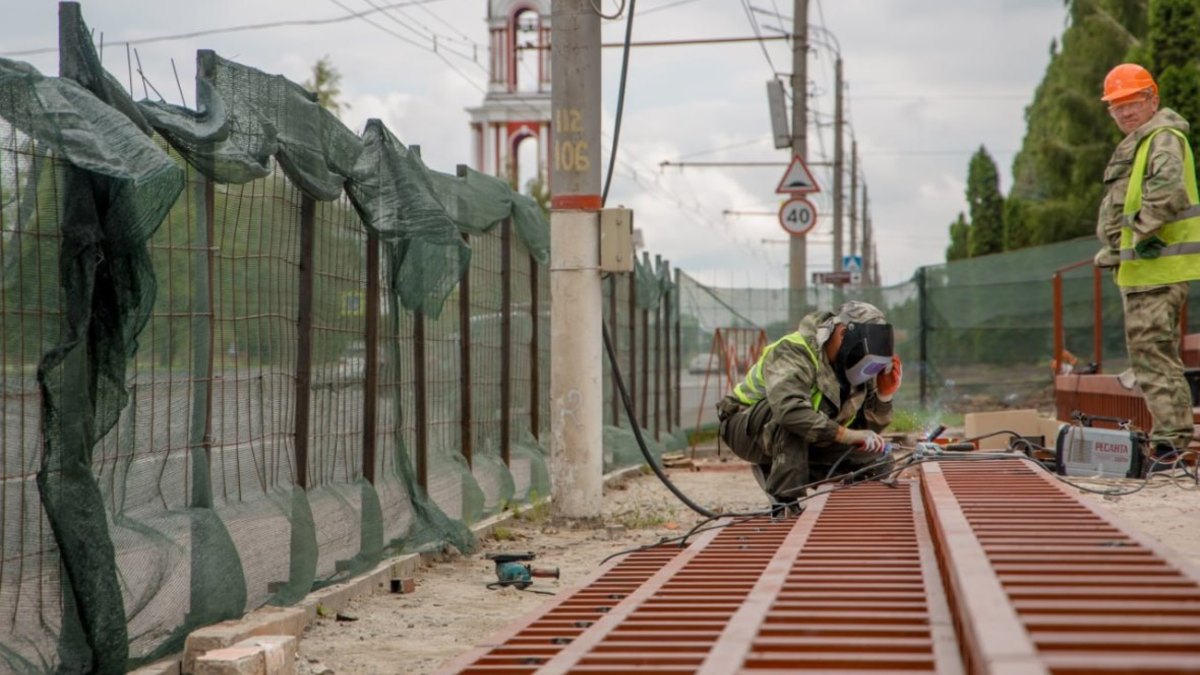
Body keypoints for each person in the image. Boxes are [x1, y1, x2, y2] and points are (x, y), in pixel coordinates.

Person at [1093, 63, 1199, 467]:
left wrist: (1138, 235)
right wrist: (1118, 249)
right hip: (1143, 271)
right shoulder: (1144, 142)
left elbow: (1167, 192)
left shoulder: (1163, 138)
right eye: (1116, 106)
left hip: (1157, 270)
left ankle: (1170, 445)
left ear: (1152, 99)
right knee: (1151, 355)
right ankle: (1169, 441)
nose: (1124, 112)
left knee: (1154, 355)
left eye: (1132, 102)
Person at [716, 301, 901, 508]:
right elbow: (789, 411)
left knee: (877, 459)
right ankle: (784, 502)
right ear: (842, 334)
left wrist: (884, 396)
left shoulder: (856, 367)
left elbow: (864, 432)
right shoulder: (794, 351)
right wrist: (845, 435)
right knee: (795, 417)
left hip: (807, 433)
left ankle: (781, 470)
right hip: (746, 427)